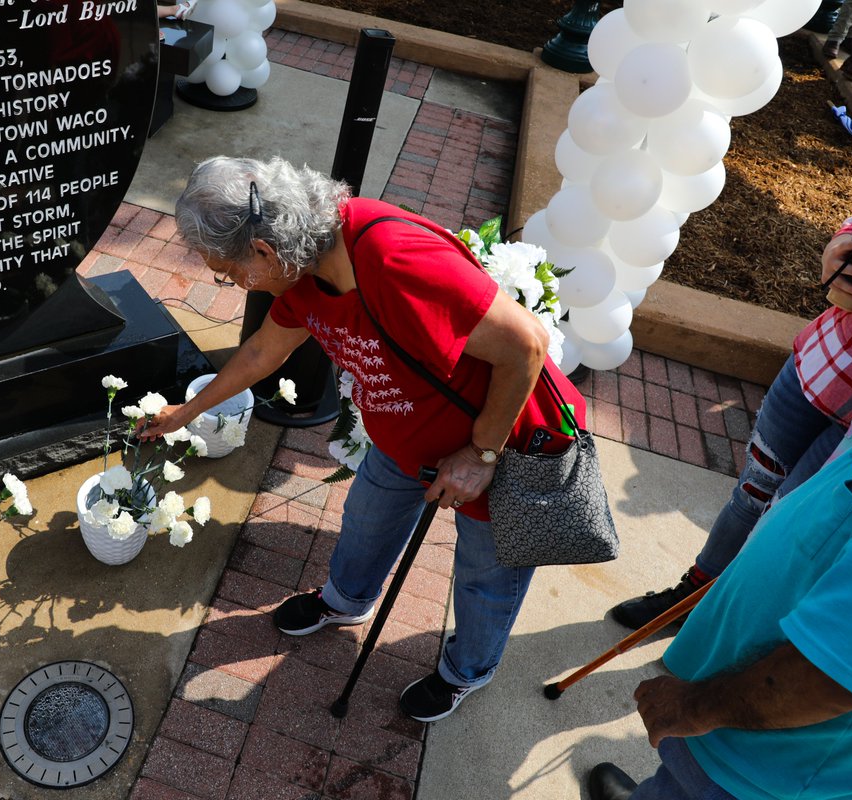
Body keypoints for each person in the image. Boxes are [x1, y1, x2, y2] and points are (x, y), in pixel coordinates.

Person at [138, 156, 586, 722]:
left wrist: (480, 453)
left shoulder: (396, 258)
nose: (232, 285)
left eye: (228, 274)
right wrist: (185, 413)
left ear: (263, 254)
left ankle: (466, 670)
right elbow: (260, 352)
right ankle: (346, 602)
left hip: (507, 444)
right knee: (367, 520)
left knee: (484, 576)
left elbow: (526, 344)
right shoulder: (305, 271)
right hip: (405, 436)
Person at [610, 213, 852, 630]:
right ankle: (693, 594)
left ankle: (727, 623)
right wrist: (842, 247)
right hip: (817, 364)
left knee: (784, 529)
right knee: (752, 491)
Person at [586, 427, 852, 800]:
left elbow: (828, 677)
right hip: (739, 738)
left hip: (762, 770)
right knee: (676, 784)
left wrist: (693, 707)